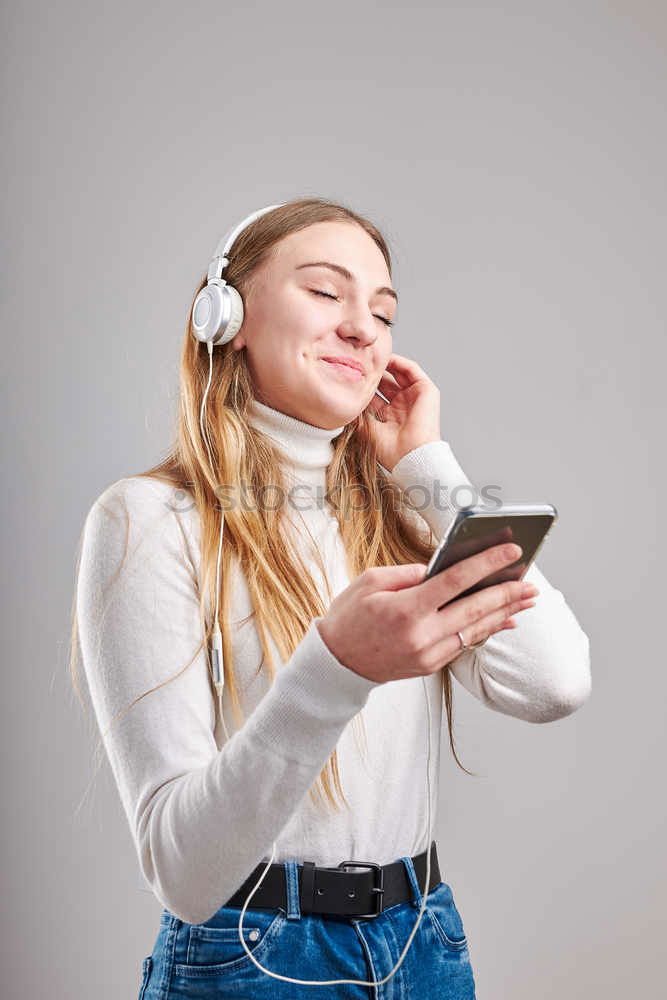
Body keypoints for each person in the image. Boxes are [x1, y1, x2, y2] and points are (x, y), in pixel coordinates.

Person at [71, 197, 592, 999]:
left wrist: (426, 467)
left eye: (381, 311)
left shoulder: (402, 511)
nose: (362, 329)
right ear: (226, 317)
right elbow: (183, 871)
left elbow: (553, 684)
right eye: (324, 292)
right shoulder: (149, 520)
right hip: (250, 958)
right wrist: (336, 669)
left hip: (424, 942)